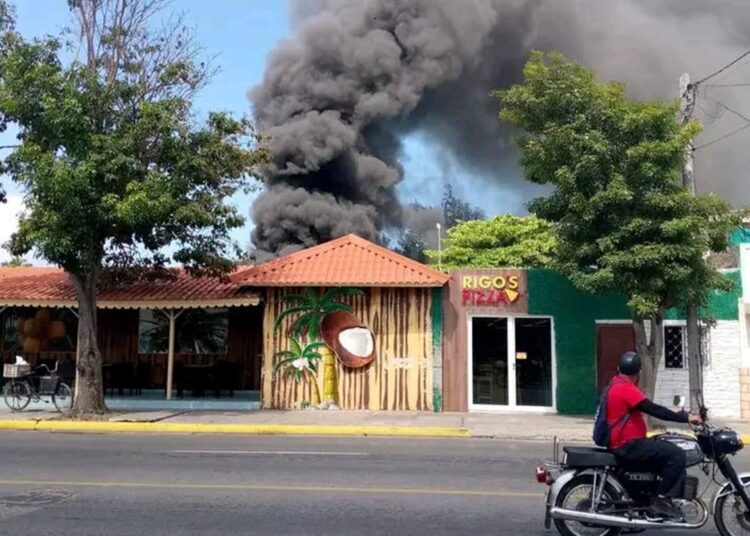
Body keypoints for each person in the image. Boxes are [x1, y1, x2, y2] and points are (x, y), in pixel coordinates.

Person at [607, 351, 703, 519]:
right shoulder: (626, 389)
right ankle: (662, 500)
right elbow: (654, 410)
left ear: (619, 369)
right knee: (676, 454)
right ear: (638, 372)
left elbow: (649, 407)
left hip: (626, 442)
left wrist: (679, 413)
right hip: (629, 445)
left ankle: (648, 498)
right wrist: (686, 417)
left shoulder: (616, 384)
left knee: (661, 448)